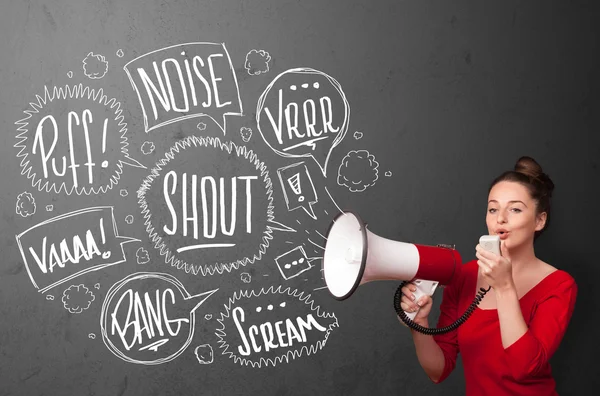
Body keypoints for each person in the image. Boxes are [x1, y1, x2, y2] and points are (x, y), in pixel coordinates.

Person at [399, 156, 577, 395]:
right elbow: (438, 371)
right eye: (493, 209)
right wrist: (419, 324)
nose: (500, 218)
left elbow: (524, 367)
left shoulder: (559, 285)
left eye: (515, 209)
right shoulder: (465, 276)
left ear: (539, 220)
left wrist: (504, 287)